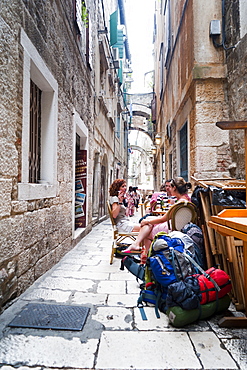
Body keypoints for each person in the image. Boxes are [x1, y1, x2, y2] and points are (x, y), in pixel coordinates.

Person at [122, 177, 193, 254]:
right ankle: (138, 247)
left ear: (174, 188)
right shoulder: (187, 200)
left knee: (147, 229)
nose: (168, 189)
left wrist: (147, 221)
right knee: (148, 224)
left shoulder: (179, 204)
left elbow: (163, 219)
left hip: (172, 228)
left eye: (170, 187)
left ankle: (147, 256)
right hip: (179, 227)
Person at [109, 179, 153, 252]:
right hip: (122, 225)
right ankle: (140, 247)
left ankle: (144, 251)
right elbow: (114, 215)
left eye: (125, 186)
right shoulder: (115, 198)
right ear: (117, 188)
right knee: (148, 227)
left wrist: (125, 202)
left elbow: (126, 214)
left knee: (147, 229)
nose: (125, 188)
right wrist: (120, 202)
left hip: (125, 222)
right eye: (123, 186)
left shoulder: (119, 198)